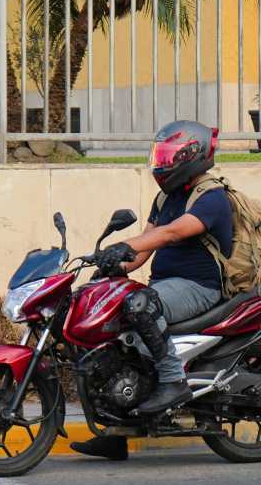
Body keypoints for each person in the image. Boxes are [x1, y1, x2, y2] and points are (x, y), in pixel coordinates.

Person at [71, 120, 233, 461]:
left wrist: (124, 245)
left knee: (138, 303)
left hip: (199, 288)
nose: (162, 164)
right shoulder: (166, 197)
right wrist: (110, 265)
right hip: (166, 285)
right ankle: (115, 431)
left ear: (192, 156)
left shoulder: (212, 197)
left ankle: (173, 380)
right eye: (161, 156)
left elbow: (172, 234)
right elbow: (142, 253)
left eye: (169, 157)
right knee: (103, 306)